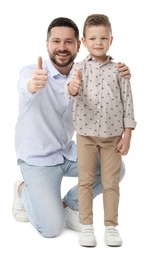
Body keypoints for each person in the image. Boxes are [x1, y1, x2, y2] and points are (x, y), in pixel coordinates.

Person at [12, 17, 131, 239]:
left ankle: (70, 204)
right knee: (51, 229)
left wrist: (120, 69)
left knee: (116, 169)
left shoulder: (85, 72)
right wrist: (32, 84)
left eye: (69, 42)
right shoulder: (32, 72)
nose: (62, 47)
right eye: (56, 41)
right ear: (47, 43)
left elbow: (105, 71)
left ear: (79, 45)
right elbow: (25, 86)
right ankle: (23, 190)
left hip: (66, 152)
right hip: (38, 160)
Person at [66, 14, 136, 247]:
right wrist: (73, 88)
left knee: (111, 183)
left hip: (113, 137)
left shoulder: (119, 70)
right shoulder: (78, 68)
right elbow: (70, 92)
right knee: (85, 180)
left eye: (103, 38)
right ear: (84, 42)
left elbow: (128, 103)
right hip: (85, 135)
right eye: (93, 38)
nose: (98, 42)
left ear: (111, 40)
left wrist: (128, 135)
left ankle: (111, 226)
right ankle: (86, 226)